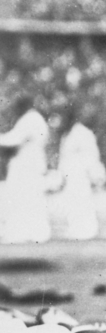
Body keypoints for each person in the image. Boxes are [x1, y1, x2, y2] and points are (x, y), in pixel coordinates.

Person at [0, 96, 51, 244]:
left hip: (26, 165)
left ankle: (23, 234)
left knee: (22, 199)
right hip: (30, 164)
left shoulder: (30, 119)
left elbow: (14, 139)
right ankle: (32, 234)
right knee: (28, 200)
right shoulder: (34, 119)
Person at [57, 106, 106, 240]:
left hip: (80, 174)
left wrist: (95, 175)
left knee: (83, 203)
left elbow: (92, 156)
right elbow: (63, 158)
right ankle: (75, 232)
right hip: (69, 175)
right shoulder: (66, 134)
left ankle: (87, 233)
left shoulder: (83, 132)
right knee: (71, 204)